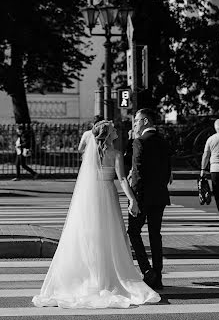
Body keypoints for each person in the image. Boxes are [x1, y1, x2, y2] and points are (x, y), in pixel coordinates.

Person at [32, 120, 160, 309]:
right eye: (113, 129)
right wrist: (132, 199)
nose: (116, 130)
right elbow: (123, 180)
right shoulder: (115, 154)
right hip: (108, 196)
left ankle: (93, 277)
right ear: (108, 135)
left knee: (92, 237)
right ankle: (107, 277)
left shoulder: (90, 156)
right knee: (110, 236)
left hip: (91, 198)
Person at [127, 108, 172, 291]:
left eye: (137, 121)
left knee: (133, 232)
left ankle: (147, 270)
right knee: (155, 235)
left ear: (145, 121)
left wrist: (134, 198)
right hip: (160, 195)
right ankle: (158, 276)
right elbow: (168, 171)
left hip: (143, 196)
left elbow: (137, 172)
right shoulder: (163, 142)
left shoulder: (140, 142)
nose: (135, 124)